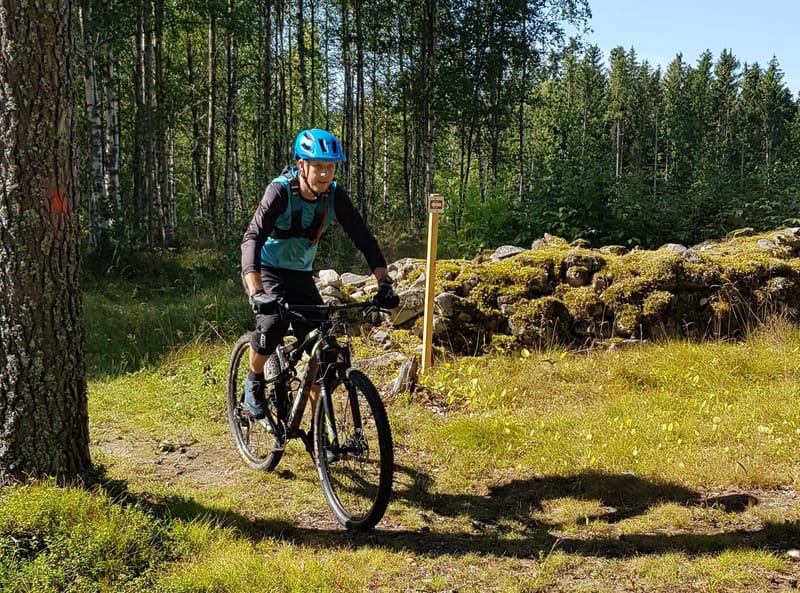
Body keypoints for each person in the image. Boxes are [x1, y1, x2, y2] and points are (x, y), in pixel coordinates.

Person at [240, 128, 399, 419]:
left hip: (300, 273)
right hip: (267, 269)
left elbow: (364, 239)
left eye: (330, 167)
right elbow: (252, 238)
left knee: (322, 351)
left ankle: (321, 434)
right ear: (302, 165)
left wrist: (384, 283)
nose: (325, 174)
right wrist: (256, 291)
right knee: (273, 324)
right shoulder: (280, 191)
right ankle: (254, 379)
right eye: (318, 167)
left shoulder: (334, 195)